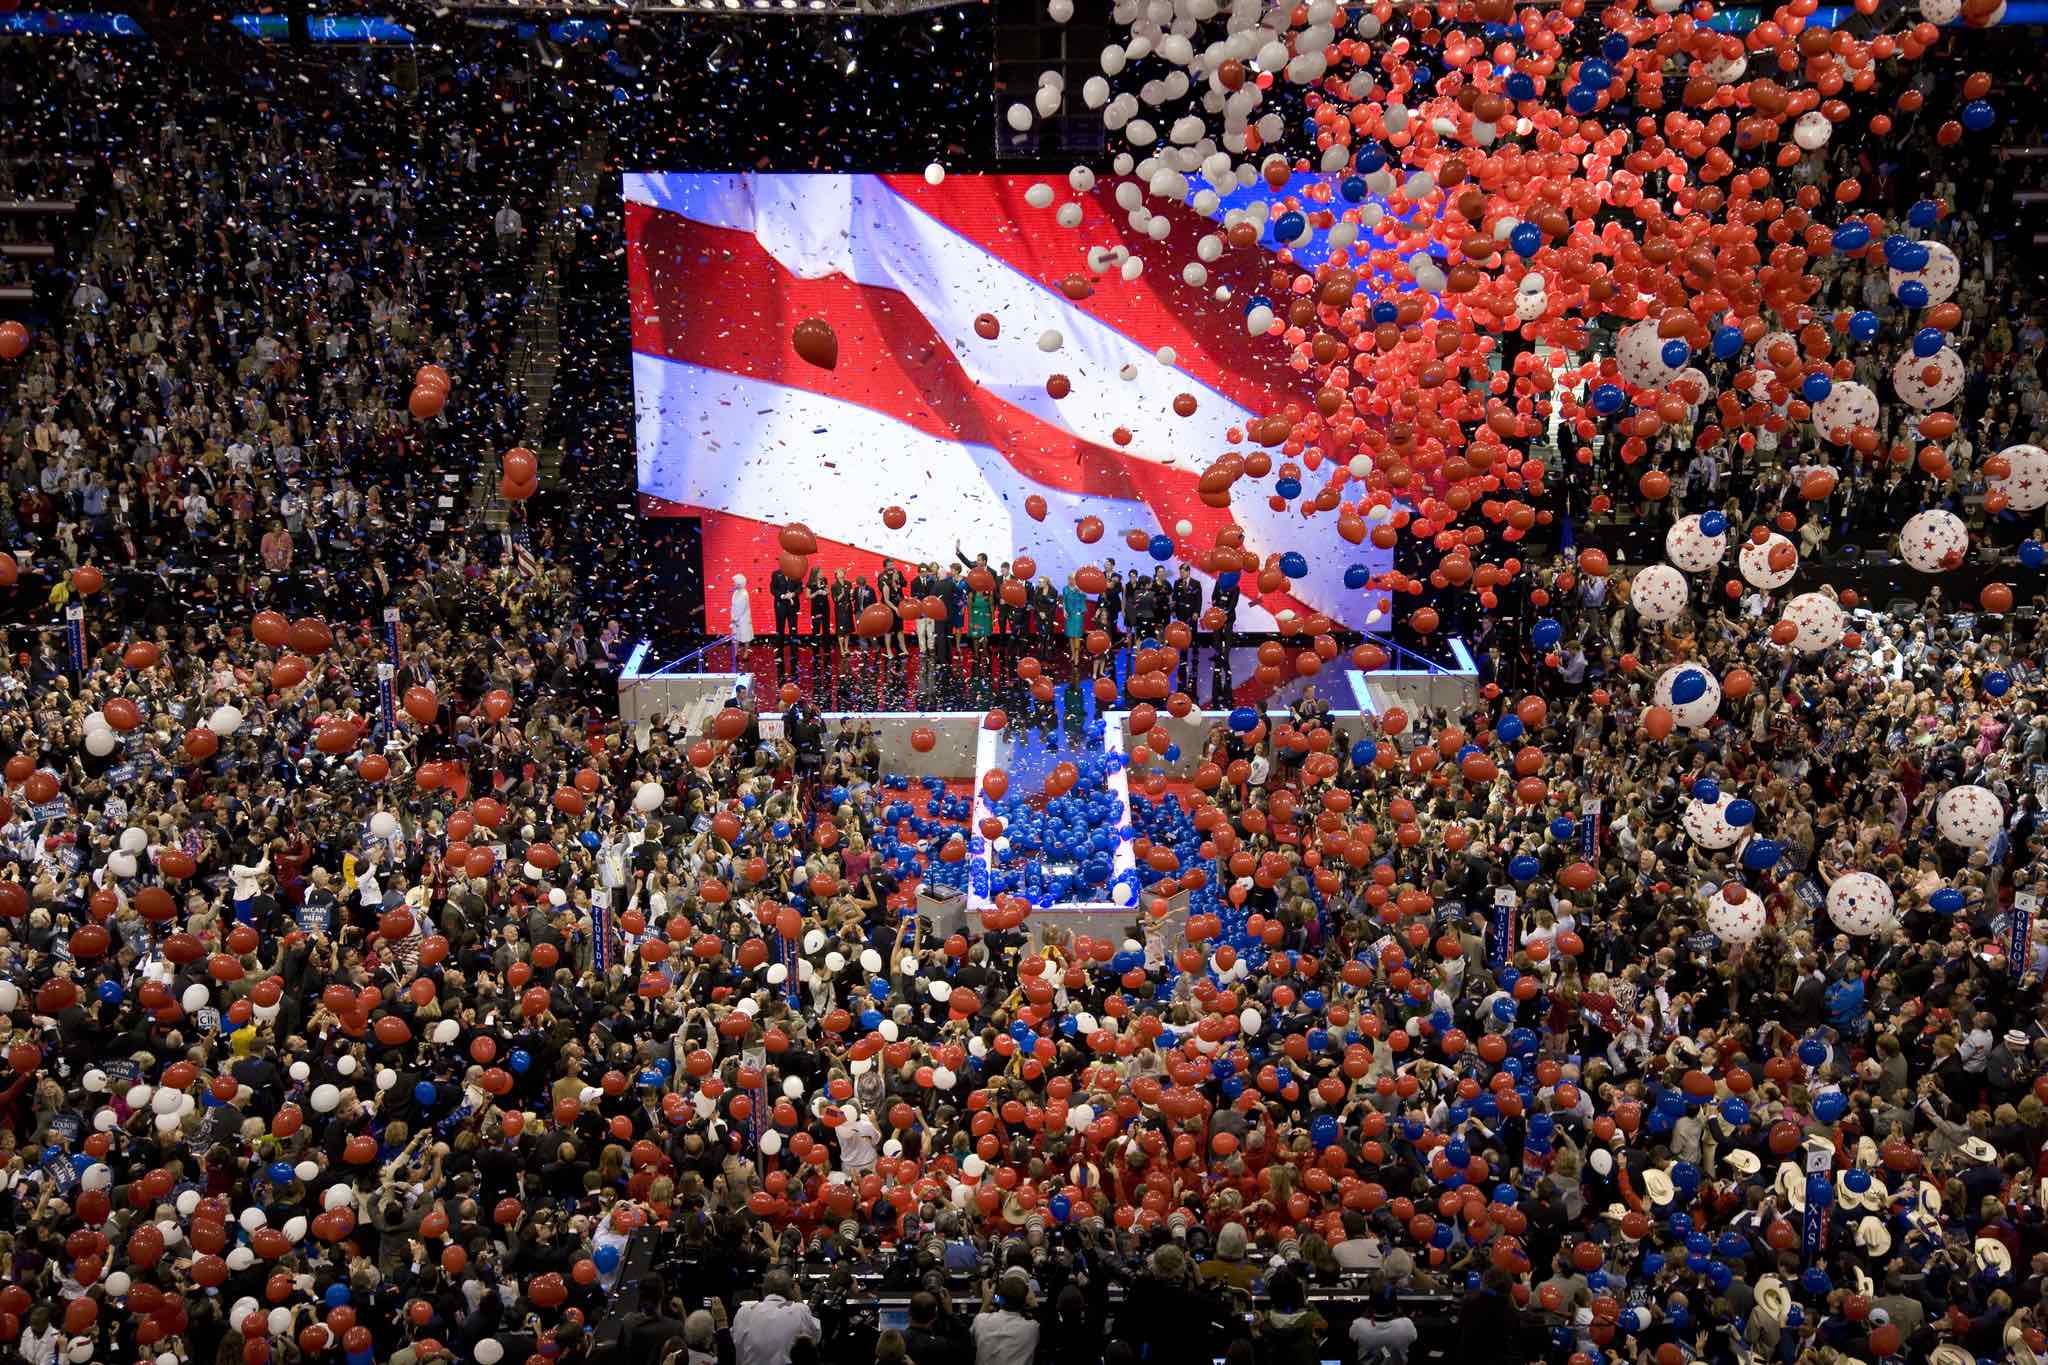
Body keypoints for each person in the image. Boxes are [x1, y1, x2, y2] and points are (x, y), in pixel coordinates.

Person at [730, 1269, 820, 1365]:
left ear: (763, 1290)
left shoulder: (744, 1311)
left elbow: (735, 1343)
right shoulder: (800, 1309)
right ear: (791, 1291)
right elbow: (815, 1338)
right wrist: (799, 1299)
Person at [970, 1270, 1039, 1365]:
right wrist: (1033, 1303)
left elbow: (970, 1338)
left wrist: (987, 1301)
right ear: (1025, 1302)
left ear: (1000, 1298)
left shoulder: (981, 1320)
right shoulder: (1033, 1328)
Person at [730, 574, 755, 666]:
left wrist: (736, 618)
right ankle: (736, 653)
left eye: (735, 582)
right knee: (736, 636)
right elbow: (733, 606)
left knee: (745, 636)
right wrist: (732, 617)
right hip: (735, 619)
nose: (733, 584)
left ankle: (746, 654)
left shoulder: (744, 594)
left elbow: (742, 608)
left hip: (743, 618)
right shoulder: (735, 592)